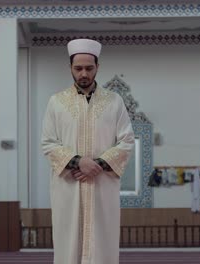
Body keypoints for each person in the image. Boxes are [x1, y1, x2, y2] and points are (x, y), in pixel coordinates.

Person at [41, 38, 135, 264]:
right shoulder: (56, 102)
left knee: (102, 244)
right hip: (68, 187)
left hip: (102, 186)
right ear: (70, 68)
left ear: (98, 68)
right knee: (68, 244)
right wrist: (77, 162)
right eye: (78, 68)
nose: (84, 73)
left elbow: (127, 141)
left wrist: (98, 165)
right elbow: (48, 143)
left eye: (89, 68)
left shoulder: (114, 101)